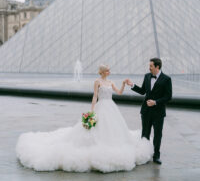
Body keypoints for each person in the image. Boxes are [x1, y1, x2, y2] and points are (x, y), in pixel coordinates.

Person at [16, 64, 153, 173]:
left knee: (113, 129)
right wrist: (92, 111)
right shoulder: (97, 81)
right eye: (108, 70)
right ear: (103, 71)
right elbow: (95, 96)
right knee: (98, 129)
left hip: (111, 107)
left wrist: (124, 84)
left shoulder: (111, 82)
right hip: (101, 107)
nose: (109, 71)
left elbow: (119, 92)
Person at [126, 58, 172, 165]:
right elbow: (142, 91)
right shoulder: (147, 76)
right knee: (145, 133)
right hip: (146, 111)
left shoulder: (166, 79)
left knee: (157, 135)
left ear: (157, 67)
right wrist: (132, 85)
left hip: (158, 112)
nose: (149, 67)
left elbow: (168, 97)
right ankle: (144, 155)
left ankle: (156, 156)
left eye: (151, 66)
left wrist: (155, 102)